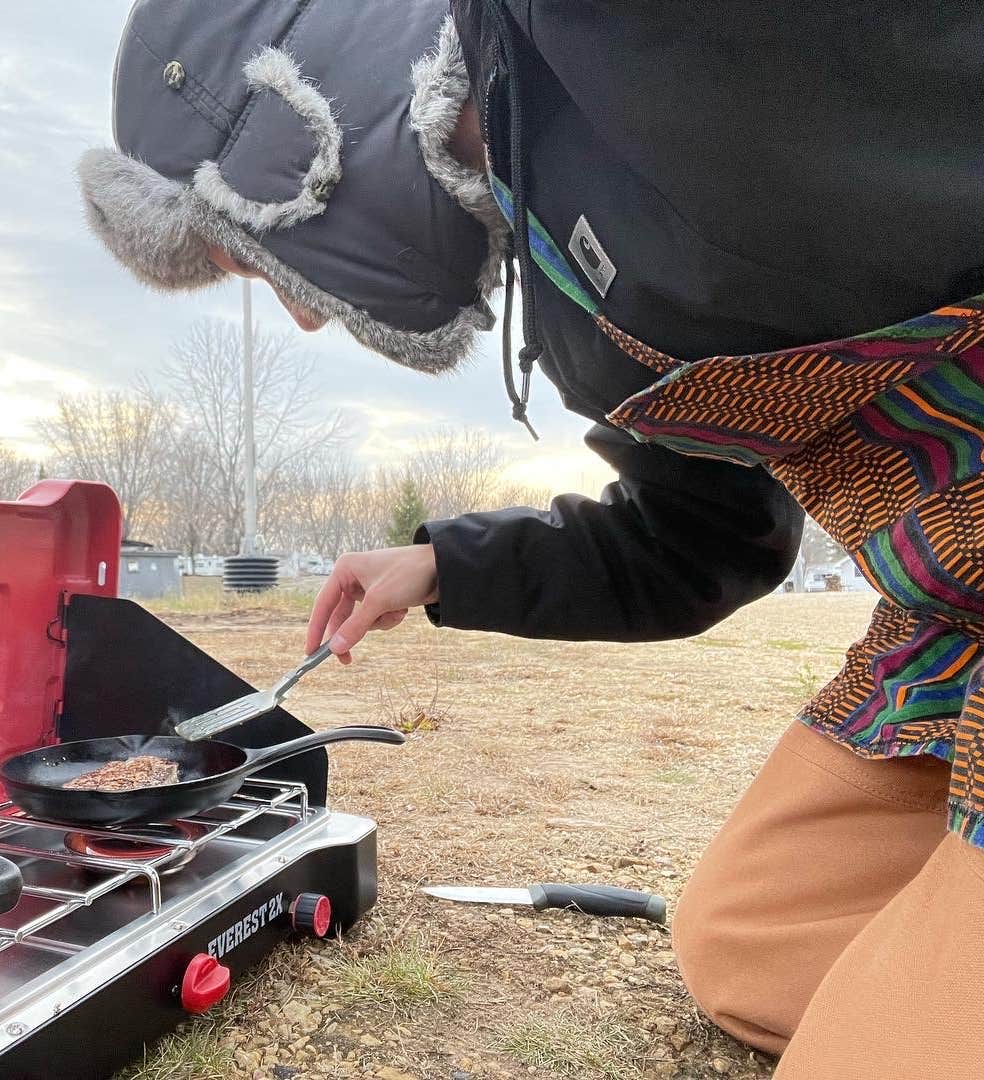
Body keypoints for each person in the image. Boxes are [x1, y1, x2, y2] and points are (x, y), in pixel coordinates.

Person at [81, 3, 984, 1076]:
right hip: (957, 614)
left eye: (250, 263)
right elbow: (705, 544)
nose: (305, 318)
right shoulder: (571, 310)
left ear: (295, 139)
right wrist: (442, 566)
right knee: (749, 951)